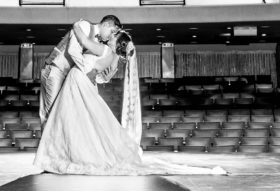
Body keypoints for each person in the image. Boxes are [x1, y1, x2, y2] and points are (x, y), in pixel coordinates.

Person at [34, 26, 227, 175]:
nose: (111, 35)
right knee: (78, 122)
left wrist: (78, 24)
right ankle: (67, 155)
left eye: (114, 35)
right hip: (80, 82)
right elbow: (100, 77)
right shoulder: (112, 57)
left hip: (76, 81)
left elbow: (82, 40)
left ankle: (61, 156)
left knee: (69, 120)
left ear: (117, 41)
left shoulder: (103, 50)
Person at [39, 15, 122, 130]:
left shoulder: (97, 42)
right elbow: (73, 51)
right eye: (112, 31)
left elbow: (91, 69)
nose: (110, 36)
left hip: (69, 77)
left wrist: (103, 78)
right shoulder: (84, 26)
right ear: (106, 24)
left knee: (63, 115)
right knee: (51, 114)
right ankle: (46, 147)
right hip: (56, 70)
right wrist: (86, 72)